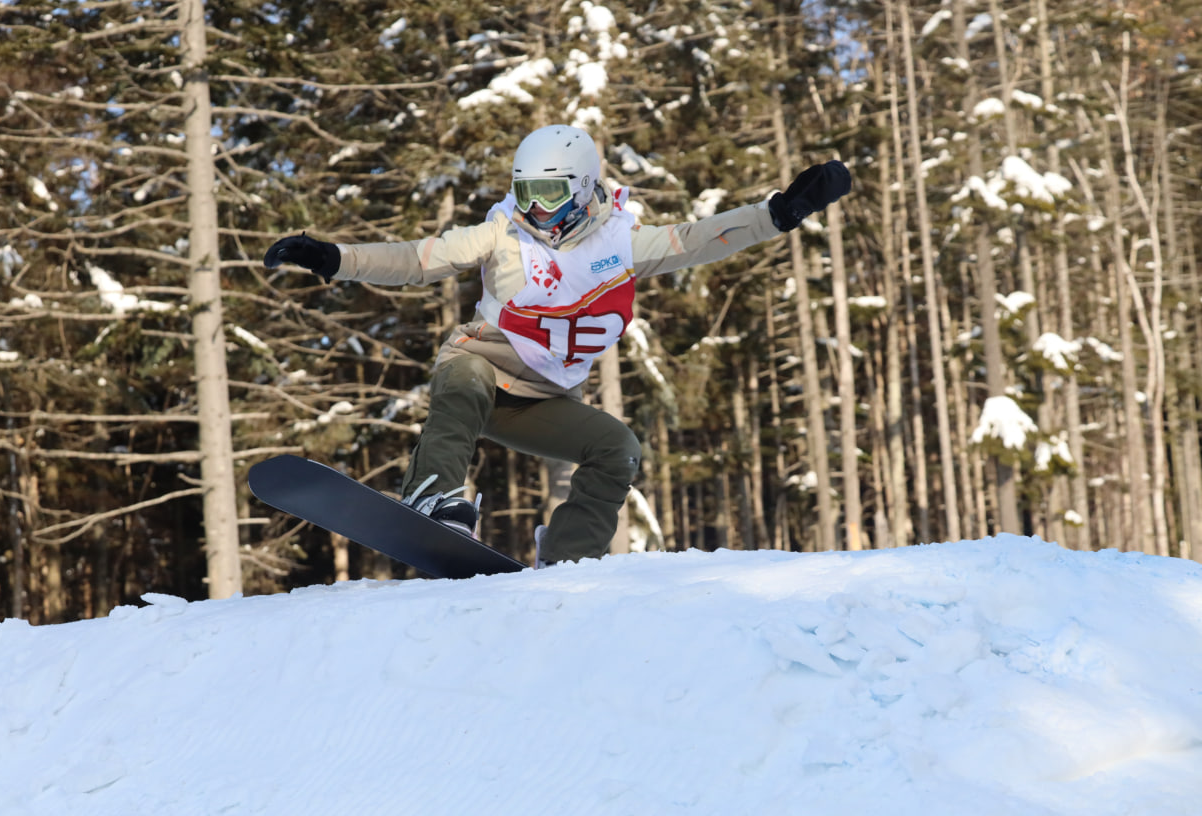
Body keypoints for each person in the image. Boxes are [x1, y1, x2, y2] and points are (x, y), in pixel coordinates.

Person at [264, 124, 850, 567]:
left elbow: (701, 238)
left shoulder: (622, 242)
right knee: (464, 376)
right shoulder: (504, 232)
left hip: (538, 399)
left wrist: (778, 214)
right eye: (525, 192)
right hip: (483, 371)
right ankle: (434, 498)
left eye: (548, 193)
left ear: (585, 188)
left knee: (616, 447)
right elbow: (419, 259)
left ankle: (569, 561)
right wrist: (336, 259)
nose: (535, 209)